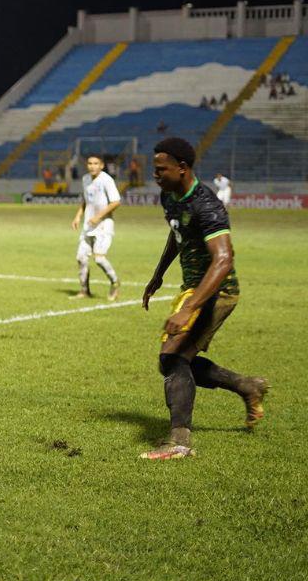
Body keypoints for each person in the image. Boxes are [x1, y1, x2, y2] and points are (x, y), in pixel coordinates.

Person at [140, 137, 268, 460]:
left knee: (172, 358)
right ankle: (247, 386)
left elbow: (223, 259)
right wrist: (159, 274)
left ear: (182, 168)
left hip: (218, 290)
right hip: (193, 287)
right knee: (175, 359)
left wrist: (190, 309)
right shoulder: (169, 196)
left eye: (161, 169)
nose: (155, 175)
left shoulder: (207, 204)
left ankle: (180, 442)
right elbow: (177, 233)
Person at [71, 155, 121, 301]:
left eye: (96, 163)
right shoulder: (85, 179)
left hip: (103, 226)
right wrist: (78, 216)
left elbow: (116, 202)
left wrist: (99, 216)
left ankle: (115, 283)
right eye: (90, 163)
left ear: (102, 165)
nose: (92, 166)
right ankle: (84, 290)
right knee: (81, 258)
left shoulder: (106, 180)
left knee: (99, 259)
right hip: (88, 225)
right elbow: (86, 201)